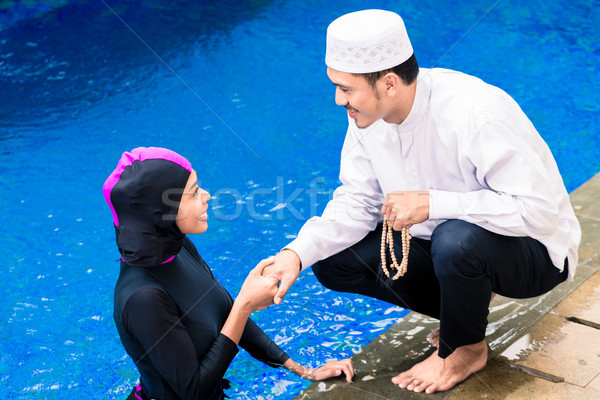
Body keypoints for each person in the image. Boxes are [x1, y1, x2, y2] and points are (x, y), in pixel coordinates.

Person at [262, 9, 581, 394]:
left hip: (535, 254)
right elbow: (358, 200)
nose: (337, 99)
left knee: (455, 238)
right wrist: (295, 254)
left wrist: (434, 203)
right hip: (451, 250)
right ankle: (465, 310)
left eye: (346, 88)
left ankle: (465, 348)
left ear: (390, 84)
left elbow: (539, 213)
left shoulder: (475, 113)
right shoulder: (367, 113)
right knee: (331, 260)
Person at [102, 147, 353, 400]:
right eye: (194, 192)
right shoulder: (143, 298)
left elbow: (225, 312)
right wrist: (245, 304)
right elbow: (194, 392)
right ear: (161, 212)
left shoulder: (178, 249)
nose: (207, 196)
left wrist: (305, 371)